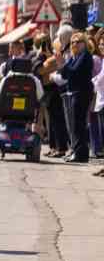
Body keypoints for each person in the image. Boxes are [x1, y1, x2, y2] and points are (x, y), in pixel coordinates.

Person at [52, 32, 93, 163]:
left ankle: (81, 154)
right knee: (73, 124)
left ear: (84, 43)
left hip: (81, 92)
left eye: (78, 41)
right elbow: (65, 75)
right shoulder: (74, 57)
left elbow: (74, 72)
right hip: (73, 92)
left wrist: (64, 64)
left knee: (78, 124)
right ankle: (76, 150)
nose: (74, 44)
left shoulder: (85, 55)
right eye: (72, 42)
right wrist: (60, 64)